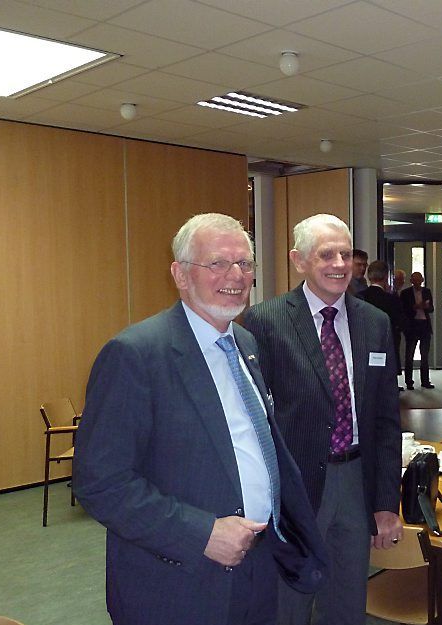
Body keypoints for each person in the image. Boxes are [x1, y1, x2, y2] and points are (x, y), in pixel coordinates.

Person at [73, 213, 327, 625]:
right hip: (178, 582)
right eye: (217, 263)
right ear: (180, 274)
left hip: (258, 565)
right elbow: (100, 482)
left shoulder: (244, 343)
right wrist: (201, 533)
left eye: (245, 263)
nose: (236, 275)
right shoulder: (136, 355)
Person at [243, 214, 402, 625]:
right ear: (299, 261)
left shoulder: (375, 322)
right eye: (325, 254)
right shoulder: (266, 321)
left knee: (348, 600)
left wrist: (386, 502)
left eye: (345, 254)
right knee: (289, 599)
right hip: (296, 486)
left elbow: (385, 419)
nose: (338, 264)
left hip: (355, 480)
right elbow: (258, 422)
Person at [357, 260, 407, 391]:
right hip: (387, 341)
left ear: (369, 276)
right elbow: (401, 321)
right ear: (386, 277)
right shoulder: (392, 299)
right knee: (386, 380)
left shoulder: (360, 297)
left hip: (364, 342)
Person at [399, 271, 434, 390]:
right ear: (411, 281)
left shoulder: (427, 291)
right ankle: (409, 382)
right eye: (415, 280)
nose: (417, 282)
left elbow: (431, 308)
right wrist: (415, 307)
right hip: (412, 325)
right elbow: (403, 310)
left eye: (419, 280)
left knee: (425, 355)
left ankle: (425, 381)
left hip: (424, 324)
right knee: (409, 355)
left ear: (422, 280)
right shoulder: (405, 293)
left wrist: (426, 307)